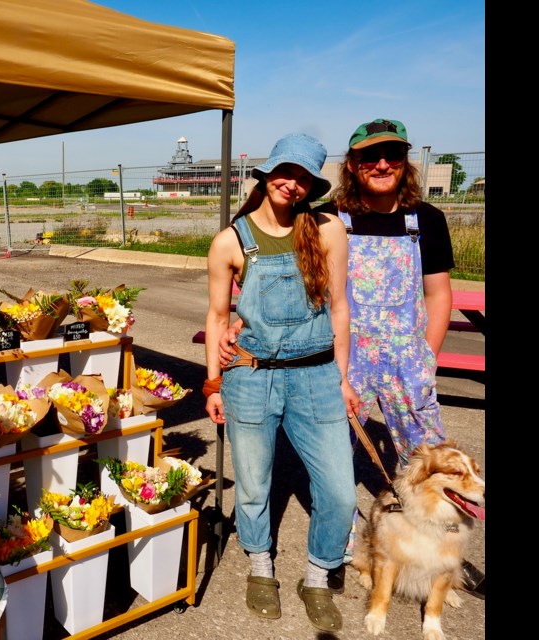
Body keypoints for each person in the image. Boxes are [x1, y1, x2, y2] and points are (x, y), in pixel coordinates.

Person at [218, 118, 485, 600]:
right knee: (335, 457)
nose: (381, 164)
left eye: (393, 155)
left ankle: (446, 551)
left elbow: (438, 294)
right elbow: (282, 280)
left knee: (429, 457)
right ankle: (341, 549)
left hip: (406, 353)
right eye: (369, 157)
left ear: (406, 163)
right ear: (353, 165)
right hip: (346, 352)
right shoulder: (326, 217)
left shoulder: (427, 219)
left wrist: (427, 354)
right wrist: (241, 323)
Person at [203, 133, 358, 632]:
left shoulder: (328, 230)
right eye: (285, 173)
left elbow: (339, 308)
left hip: (316, 376)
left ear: (312, 186)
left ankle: (317, 575)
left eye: (304, 178)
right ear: (267, 174)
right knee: (253, 486)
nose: (292, 185)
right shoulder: (230, 240)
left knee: (339, 492)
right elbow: (216, 314)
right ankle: (259, 565)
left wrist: (343, 377)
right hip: (250, 378)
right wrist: (211, 384)